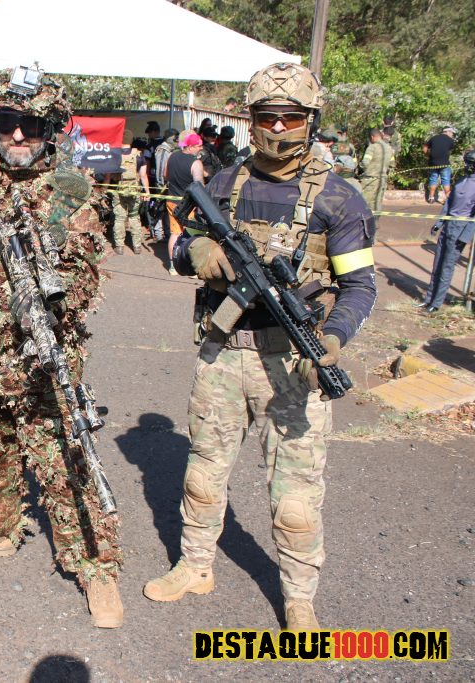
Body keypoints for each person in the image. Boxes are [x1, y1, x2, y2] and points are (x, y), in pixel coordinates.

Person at [143, 62, 377, 632]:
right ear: (251, 119)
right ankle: (195, 565)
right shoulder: (223, 183)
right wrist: (195, 253)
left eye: (289, 117)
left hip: (293, 364)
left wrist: (333, 338)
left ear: (309, 120)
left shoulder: (339, 199)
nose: (276, 127)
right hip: (223, 353)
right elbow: (179, 242)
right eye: (266, 117)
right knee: (203, 472)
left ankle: (299, 598)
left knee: (296, 498)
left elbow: (360, 286)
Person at [0, 66, 123, 629]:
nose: (17, 135)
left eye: (31, 126)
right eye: (7, 122)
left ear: (51, 130)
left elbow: (84, 273)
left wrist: (50, 292)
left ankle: (96, 567)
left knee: (66, 457)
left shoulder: (70, 191)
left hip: (42, 354)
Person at [417, 149, 475, 312]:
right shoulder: (461, 180)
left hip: (460, 228)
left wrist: (465, 236)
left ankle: (436, 303)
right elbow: (449, 204)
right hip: (448, 225)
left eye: (469, 163)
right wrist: (439, 222)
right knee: (437, 265)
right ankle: (428, 299)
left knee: (447, 267)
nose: (466, 166)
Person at [164, 131, 204, 274]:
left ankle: (173, 266)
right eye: (199, 146)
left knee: (175, 233)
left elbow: (165, 175)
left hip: (172, 201)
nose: (201, 148)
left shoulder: (172, 156)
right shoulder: (196, 163)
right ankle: (191, 267)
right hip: (189, 205)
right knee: (191, 235)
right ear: (191, 146)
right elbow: (199, 186)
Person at [358, 127, 395, 215]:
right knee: (377, 202)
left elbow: (365, 163)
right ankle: (375, 219)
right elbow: (392, 164)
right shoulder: (389, 149)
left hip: (370, 180)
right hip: (382, 180)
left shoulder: (372, 147)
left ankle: (365, 219)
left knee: (365, 201)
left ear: (372, 137)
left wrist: (359, 168)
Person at [424, 126, 457, 204]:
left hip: (433, 163)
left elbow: (425, 147)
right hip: (444, 164)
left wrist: (428, 156)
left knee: (433, 179)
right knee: (446, 180)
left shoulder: (434, 138)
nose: (452, 135)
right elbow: (449, 151)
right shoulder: (450, 140)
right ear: (448, 132)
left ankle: (431, 198)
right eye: (452, 133)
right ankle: (448, 199)